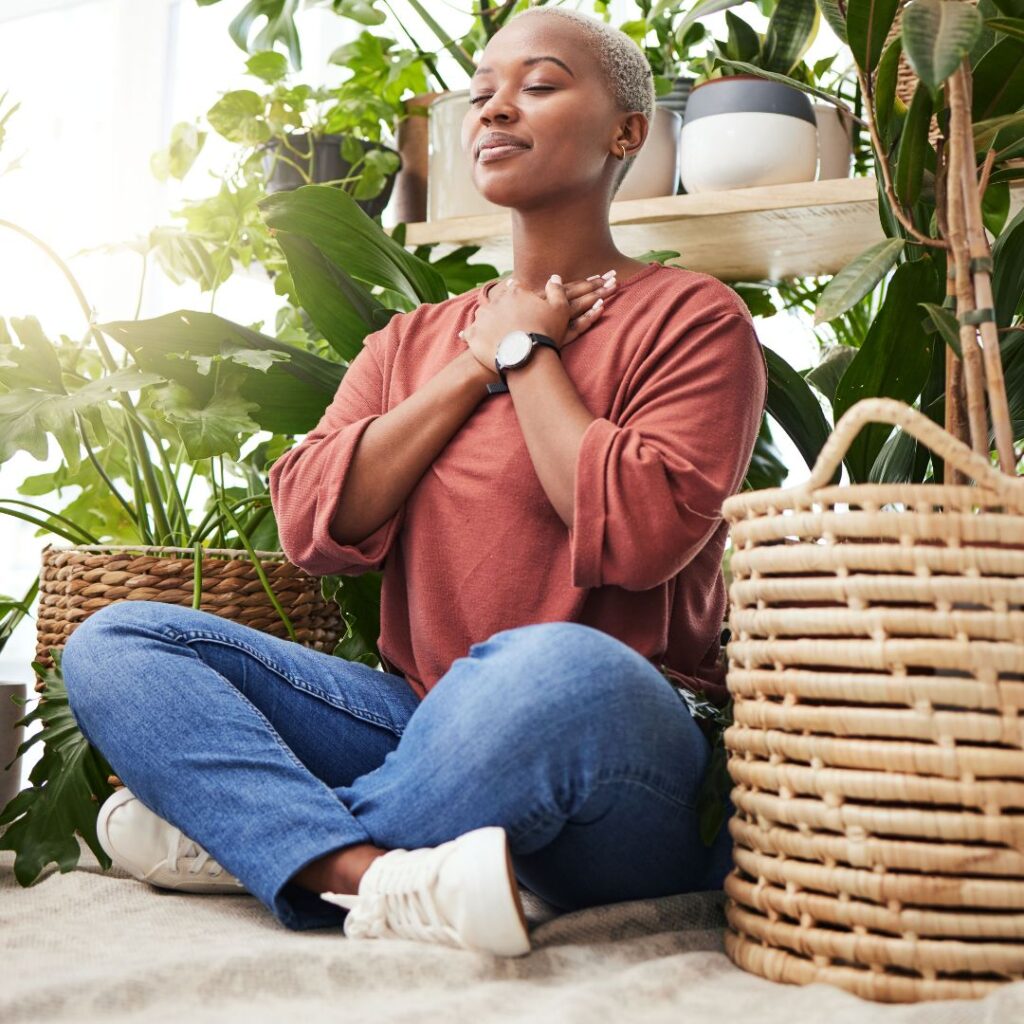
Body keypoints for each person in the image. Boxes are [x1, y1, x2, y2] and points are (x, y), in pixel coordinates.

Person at [62, 7, 767, 959]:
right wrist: (471, 366)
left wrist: (526, 351)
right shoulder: (411, 344)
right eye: (481, 93)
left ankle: (258, 841)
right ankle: (364, 877)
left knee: (556, 668)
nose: (495, 110)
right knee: (121, 639)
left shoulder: (693, 319)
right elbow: (311, 521)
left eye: (540, 85)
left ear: (627, 132)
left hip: (615, 747)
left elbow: (640, 539)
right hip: (416, 721)